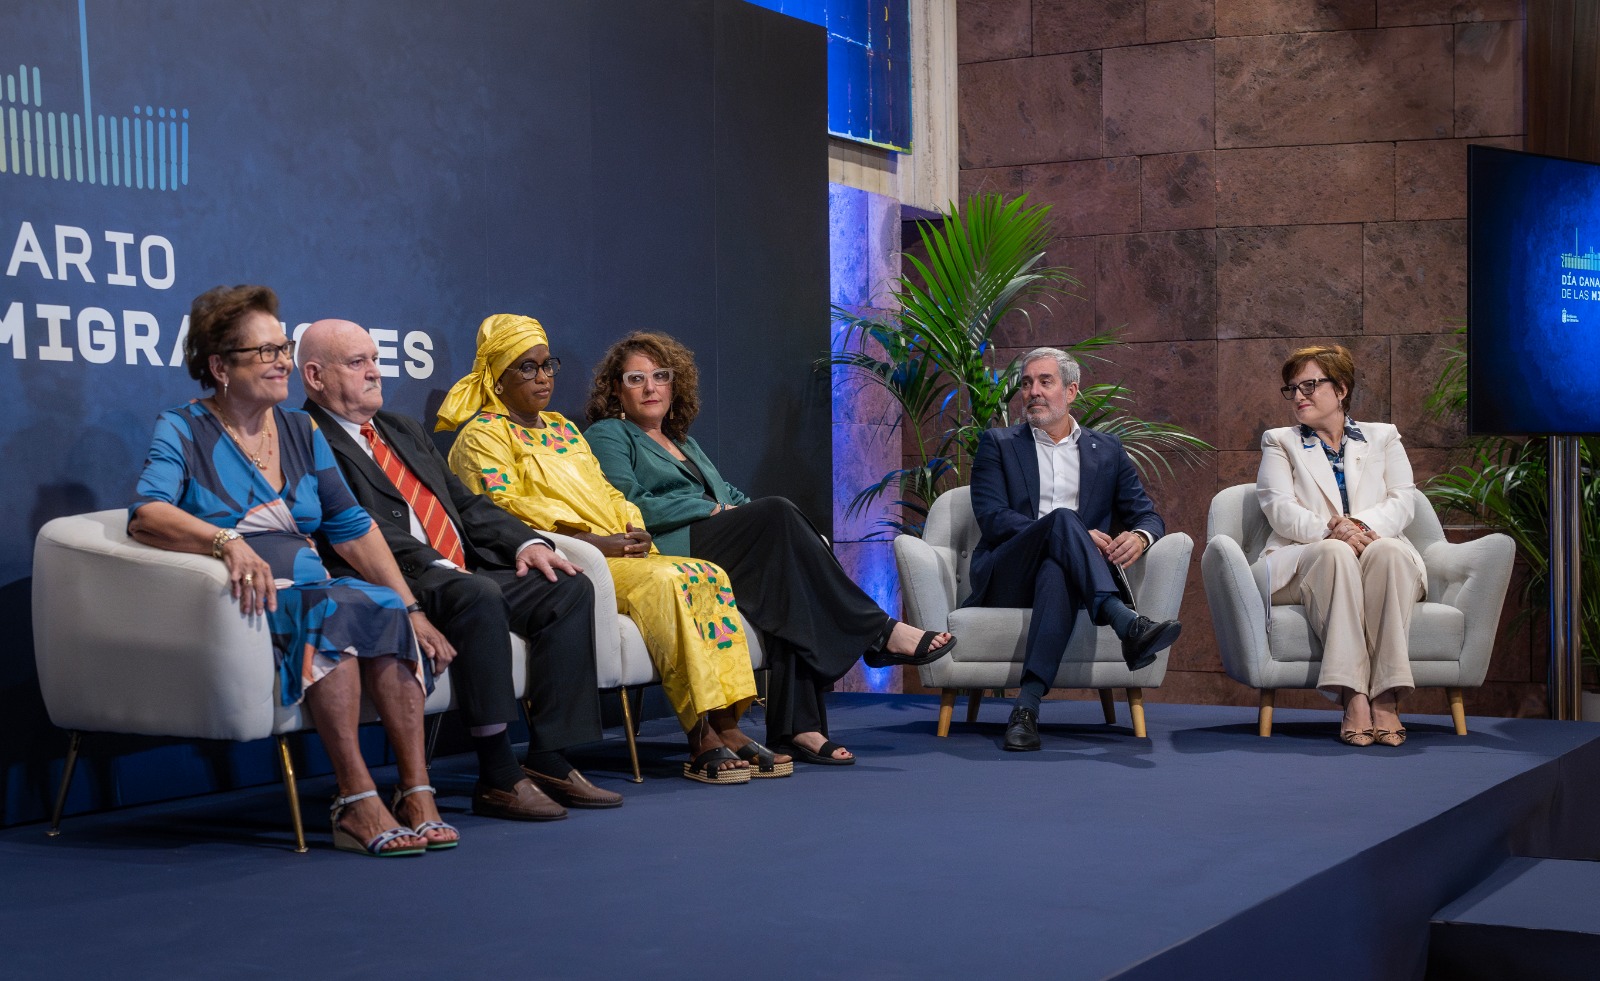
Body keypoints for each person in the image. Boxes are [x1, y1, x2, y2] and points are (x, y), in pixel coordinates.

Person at [129, 285, 458, 856]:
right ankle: (355, 800)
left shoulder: (302, 432)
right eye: (266, 352)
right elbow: (147, 514)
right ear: (219, 367)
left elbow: (351, 526)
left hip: (313, 587)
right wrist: (226, 541)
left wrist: (413, 608)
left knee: (381, 605)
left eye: (283, 347)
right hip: (248, 598)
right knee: (333, 607)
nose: (282, 361)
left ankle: (416, 792)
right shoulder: (183, 429)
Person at [583, 331, 955, 765]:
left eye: (660, 376)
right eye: (636, 379)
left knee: (791, 583)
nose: (650, 387)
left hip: (715, 541)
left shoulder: (683, 441)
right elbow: (628, 503)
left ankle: (799, 730)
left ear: (673, 383)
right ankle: (879, 631)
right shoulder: (610, 434)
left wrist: (742, 510)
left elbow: (729, 495)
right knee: (778, 515)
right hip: (671, 549)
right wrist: (713, 510)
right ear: (616, 389)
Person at [298, 319, 620, 819]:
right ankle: (497, 774)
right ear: (315, 377)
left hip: (458, 568)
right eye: (357, 363)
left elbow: (464, 504)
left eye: (375, 360)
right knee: (478, 594)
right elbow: (352, 527)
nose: (375, 372)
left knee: (565, 586)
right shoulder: (305, 437)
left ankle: (551, 756)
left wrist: (526, 542)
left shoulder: (400, 428)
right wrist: (441, 563)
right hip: (398, 577)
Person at [437, 314, 770, 784]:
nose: (543, 377)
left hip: (618, 547)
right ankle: (700, 734)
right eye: (526, 368)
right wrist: (593, 543)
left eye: (546, 365)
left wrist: (635, 528)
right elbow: (502, 509)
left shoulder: (563, 429)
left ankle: (728, 722)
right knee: (670, 580)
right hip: (571, 556)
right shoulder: (483, 436)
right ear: (496, 376)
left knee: (706, 572)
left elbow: (609, 491)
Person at [966, 347, 1182, 752]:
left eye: (1044, 381)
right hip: (1007, 573)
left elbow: (1148, 516)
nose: (1033, 391)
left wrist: (1139, 537)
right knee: (1064, 520)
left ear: (1071, 391)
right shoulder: (998, 443)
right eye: (1027, 383)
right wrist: (1067, 529)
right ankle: (1123, 620)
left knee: (1057, 570)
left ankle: (1026, 709)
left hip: (1072, 579)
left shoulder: (1108, 450)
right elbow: (993, 518)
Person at [1256, 344, 1426, 747]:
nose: (1298, 396)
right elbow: (1279, 508)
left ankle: (1385, 695)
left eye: (1310, 385)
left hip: (1374, 548)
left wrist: (1359, 527)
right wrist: (1334, 533)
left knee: (1388, 551)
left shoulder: (1383, 437)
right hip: (1305, 558)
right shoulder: (1280, 441)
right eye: (1292, 388)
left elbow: (1404, 499)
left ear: (1341, 389)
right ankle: (1354, 696)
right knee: (1335, 552)